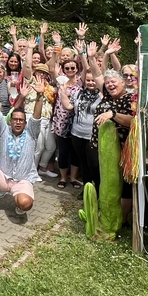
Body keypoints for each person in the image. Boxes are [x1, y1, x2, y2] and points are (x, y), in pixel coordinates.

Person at [0, 73, 47, 222]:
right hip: (3, 176)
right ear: (11, 121)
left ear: (25, 123)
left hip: (22, 180)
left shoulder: (31, 132)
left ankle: (19, 203)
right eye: (15, 119)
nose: (18, 122)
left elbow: (36, 116)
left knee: (25, 204)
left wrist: (40, 95)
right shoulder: (4, 129)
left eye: (22, 120)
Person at [86, 42, 135, 220]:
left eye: (113, 82)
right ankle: (103, 214)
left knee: (118, 185)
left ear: (123, 82)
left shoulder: (130, 98)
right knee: (100, 182)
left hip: (119, 151)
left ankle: (118, 219)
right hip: (96, 146)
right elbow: (98, 74)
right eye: (108, 83)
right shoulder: (106, 94)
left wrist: (113, 114)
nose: (110, 85)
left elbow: (133, 122)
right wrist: (91, 57)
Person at [67, 60, 102, 189]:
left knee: (94, 164)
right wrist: (62, 90)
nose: (91, 83)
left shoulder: (102, 96)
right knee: (84, 163)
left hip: (92, 136)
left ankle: (98, 190)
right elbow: (68, 107)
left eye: (93, 80)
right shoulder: (78, 93)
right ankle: (87, 190)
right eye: (88, 80)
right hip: (76, 134)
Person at [51, 56, 83, 190]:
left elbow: (88, 68)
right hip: (61, 121)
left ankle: (73, 178)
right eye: (67, 68)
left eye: (72, 68)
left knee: (75, 152)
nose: (70, 70)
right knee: (63, 151)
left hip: (77, 121)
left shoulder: (81, 82)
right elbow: (53, 69)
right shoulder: (60, 81)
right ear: (63, 70)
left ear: (76, 69)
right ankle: (63, 177)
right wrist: (55, 53)